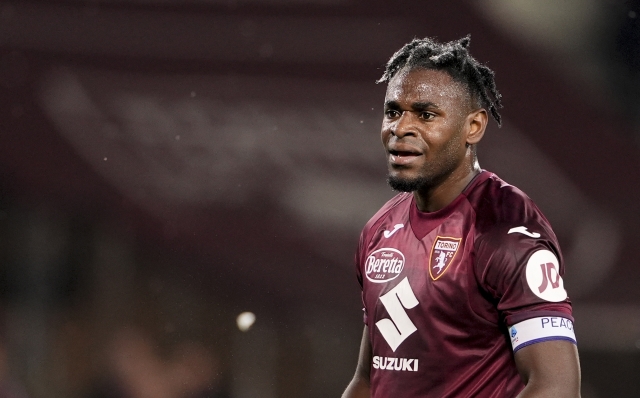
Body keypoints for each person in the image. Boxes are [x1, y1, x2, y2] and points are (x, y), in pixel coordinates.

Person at [342, 36, 581, 398]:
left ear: (474, 127)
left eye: (425, 114)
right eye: (393, 111)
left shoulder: (506, 231)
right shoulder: (379, 230)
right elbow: (369, 379)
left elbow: (557, 387)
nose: (400, 128)